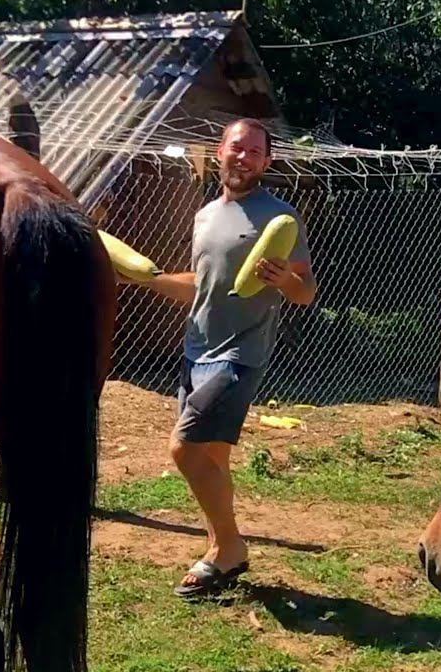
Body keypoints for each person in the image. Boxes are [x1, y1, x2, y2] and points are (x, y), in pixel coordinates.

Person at [124, 117, 316, 599]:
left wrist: (283, 281)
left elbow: (305, 292)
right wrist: (143, 279)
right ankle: (219, 550)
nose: (243, 157)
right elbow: (201, 286)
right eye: (237, 147)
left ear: (267, 161)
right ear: (220, 151)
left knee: (183, 449)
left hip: (240, 354)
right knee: (213, 457)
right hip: (197, 348)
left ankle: (230, 547)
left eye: (254, 151)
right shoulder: (206, 215)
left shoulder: (280, 218)